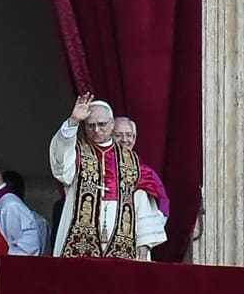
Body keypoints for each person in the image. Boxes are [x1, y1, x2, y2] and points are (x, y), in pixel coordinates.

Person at [49, 94, 166, 259]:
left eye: (102, 124)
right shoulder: (76, 153)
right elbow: (60, 167)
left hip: (123, 241)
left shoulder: (132, 161)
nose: (96, 130)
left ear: (112, 125)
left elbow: (142, 202)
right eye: (91, 125)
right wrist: (73, 121)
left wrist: (144, 244)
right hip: (78, 240)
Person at [113, 116, 170, 218]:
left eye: (129, 135)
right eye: (118, 135)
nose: (124, 140)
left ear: (134, 139)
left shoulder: (145, 172)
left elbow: (163, 202)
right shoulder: (101, 165)